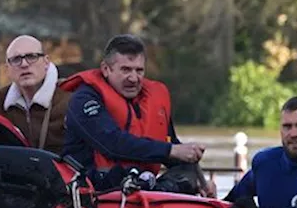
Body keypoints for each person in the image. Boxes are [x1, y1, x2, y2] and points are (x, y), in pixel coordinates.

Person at [60, 34, 212, 194]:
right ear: (106, 69)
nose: (133, 78)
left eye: (139, 70)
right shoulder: (84, 99)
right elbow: (111, 143)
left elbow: (171, 144)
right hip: (96, 187)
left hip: (141, 184)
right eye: (125, 70)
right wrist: (170, 150)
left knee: (187, 172)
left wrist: (198, 177)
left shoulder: (155, 97)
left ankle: (161, 192)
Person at [0, 35, 71, 152]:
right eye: (16, 59)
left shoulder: (70, 96)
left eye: (31, 57)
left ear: (46, 62)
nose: (24, 64)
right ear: (7, 69)